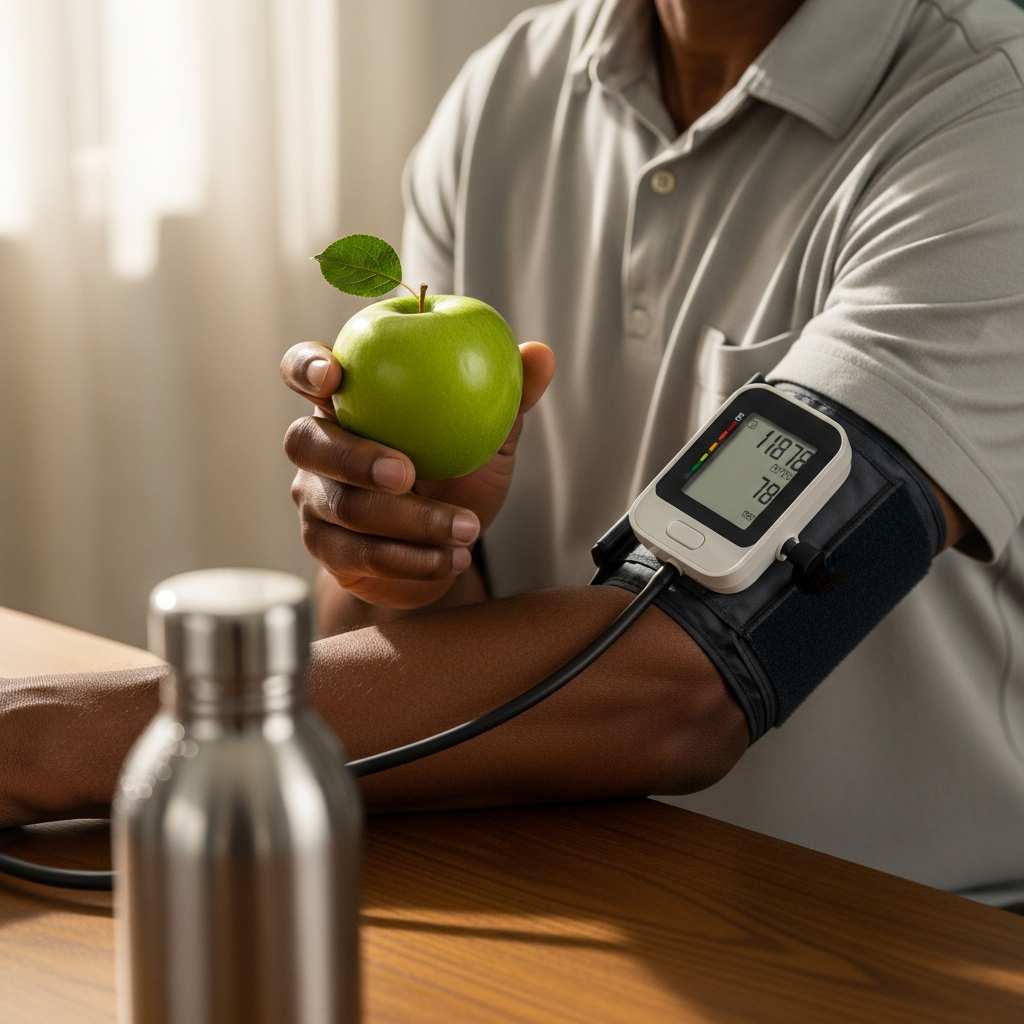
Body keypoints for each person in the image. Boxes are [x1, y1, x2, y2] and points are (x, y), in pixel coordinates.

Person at [5, 0, 1022, 899]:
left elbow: (704, 672)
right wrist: (396, 556)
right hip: (544, 877)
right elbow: (381, 648)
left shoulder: (991, 119)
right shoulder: (508, 93)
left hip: (905, 934)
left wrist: (67, 740)